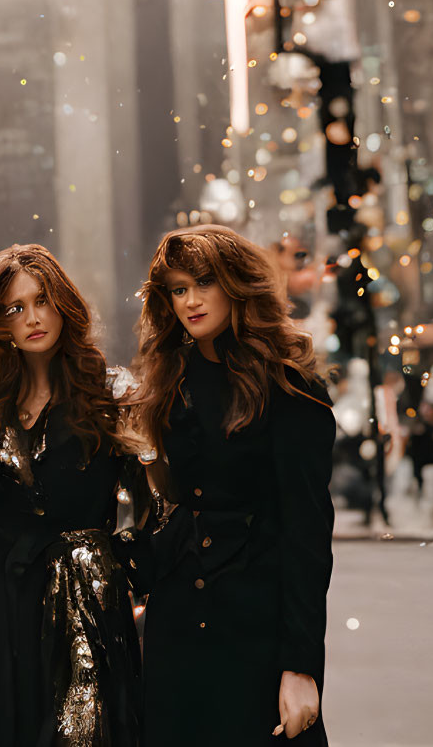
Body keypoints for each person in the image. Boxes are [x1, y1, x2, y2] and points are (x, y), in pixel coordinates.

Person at [131, 224, 336, 747]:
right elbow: (169, 506)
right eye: (178, 289)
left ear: (236, 284)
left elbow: (307, 534)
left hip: (254, 620)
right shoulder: (165, 383)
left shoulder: (291, 386)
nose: (191, 301)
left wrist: (301, 666)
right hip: (176, 621)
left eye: (203, 283)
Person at [0, 244, 145, 747]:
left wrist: (116, 564)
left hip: (87, 594)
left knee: (83, 730)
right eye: (15, 308)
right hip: (5, 596)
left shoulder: (110, 393)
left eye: (42, 300)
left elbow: (150, 509)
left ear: (63, 304)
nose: (32, 318)